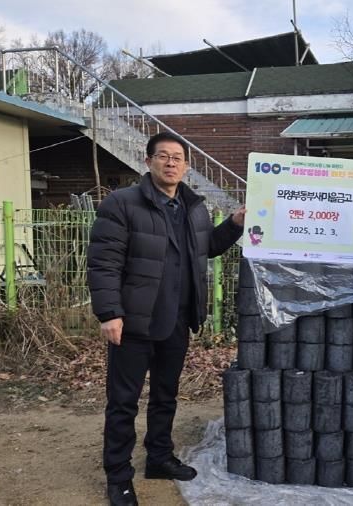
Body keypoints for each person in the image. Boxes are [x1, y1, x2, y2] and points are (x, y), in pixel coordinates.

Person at [87, 132, 245, 506]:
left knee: (165, 395)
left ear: (186, 166)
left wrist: (235, 223)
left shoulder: (193, 207)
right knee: (123, 402)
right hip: (133, 322)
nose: (171, 162)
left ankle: (159, 457)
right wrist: (110, 312)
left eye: (178, 157)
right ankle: (119, 477)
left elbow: (206, 247)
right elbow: (104, 261)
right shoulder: (122, 203)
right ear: (148, 162)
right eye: (163, 156)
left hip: (177, 318)